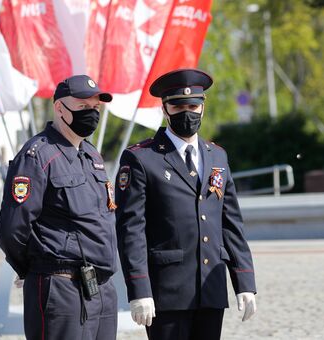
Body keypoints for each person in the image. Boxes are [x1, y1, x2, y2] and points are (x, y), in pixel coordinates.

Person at [115, 68, 257, 340]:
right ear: (165, 109)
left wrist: (244, 282)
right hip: (167, 291)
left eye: (193, 106)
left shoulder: (217, 157)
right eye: (178, 106)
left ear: (203, 108)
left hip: (210, 288)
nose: (187, 113)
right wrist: (139, 289)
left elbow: (231, 225)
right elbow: (131, 230)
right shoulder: (142, 159)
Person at [0, 75, 118, 339]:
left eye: (95, 108)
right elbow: (12, 227)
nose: (91, 113)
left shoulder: (92, 155)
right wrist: (31, 269)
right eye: (83, 106)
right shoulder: (37, 155)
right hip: (62, 287)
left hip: (101, 288)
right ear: (60, 108)